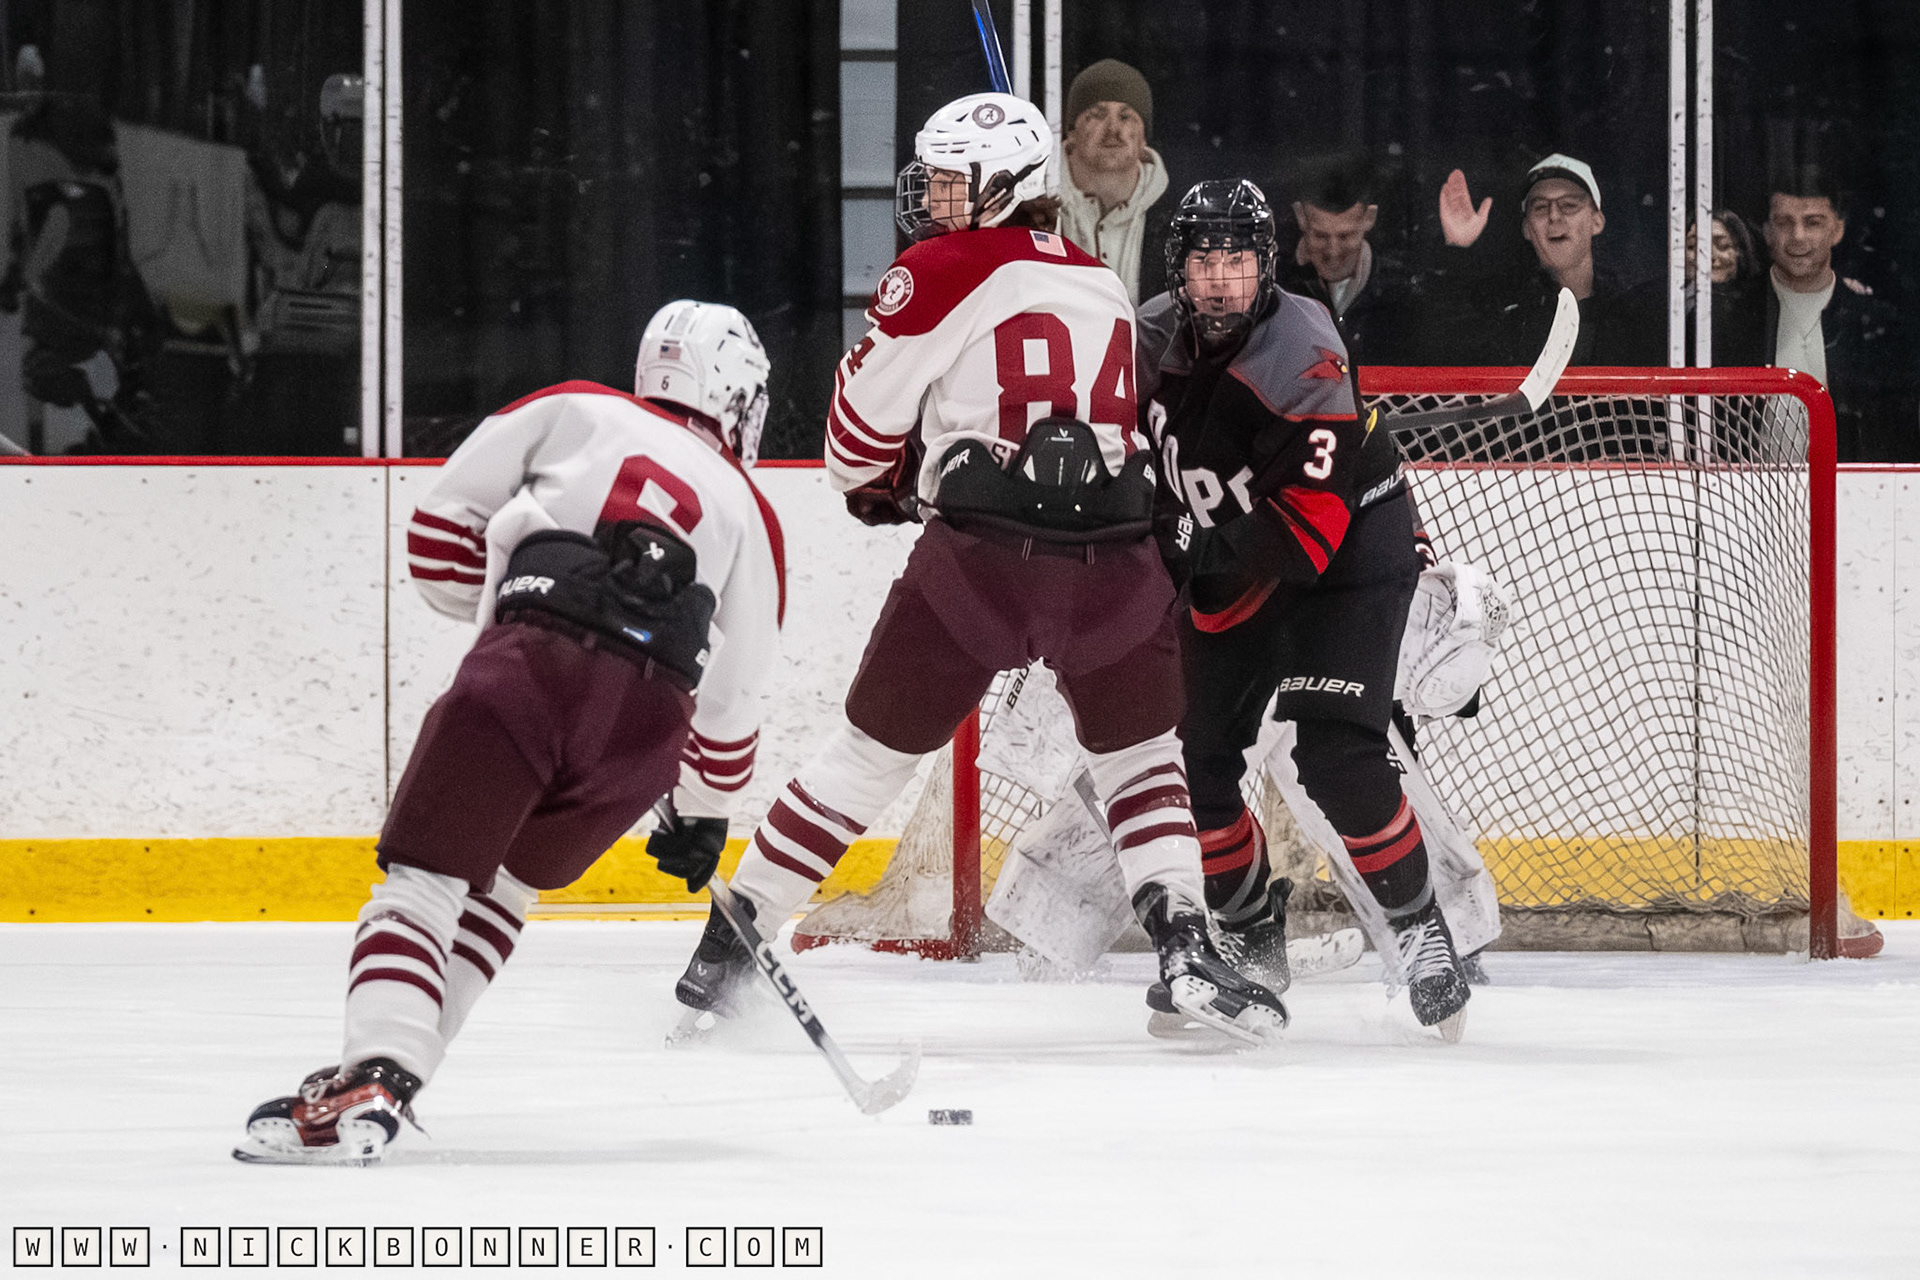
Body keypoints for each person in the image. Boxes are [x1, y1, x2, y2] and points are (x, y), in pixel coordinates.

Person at [673, 92, 1287, 1045]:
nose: (935, 196)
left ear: (1004, 183)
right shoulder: (1098, 282)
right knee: (1141, 762)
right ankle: (1184, 943)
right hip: (1113, 563)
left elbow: (850, 443)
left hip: (982, 562)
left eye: (954, 178)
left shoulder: (938, 267)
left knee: (869, 757)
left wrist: (904, 468)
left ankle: (732, 941)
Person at [233, 301, 786, 1165]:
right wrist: (705, 813)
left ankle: (374, 1070)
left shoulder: (573, 406)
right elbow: (734, 693)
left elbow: (436, 536)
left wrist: (512, 611)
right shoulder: (753, 513)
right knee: (501, 893)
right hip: (645, 730)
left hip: (528, 671)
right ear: (737, 395)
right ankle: (391, 1076)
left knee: (424, 881)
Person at [1138, 178, 1471, 1030]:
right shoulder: (1146, 340)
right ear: (1179, 269)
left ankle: (1420, 929)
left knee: (1335, 758)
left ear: (1267, 269)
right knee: (1194, 764)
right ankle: (1251, 932)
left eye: (1238, 262)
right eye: (1205, 261)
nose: (1219, 280)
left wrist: (1172, 548)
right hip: (1231, 553)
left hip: (1347, 556)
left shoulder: (1305, 351)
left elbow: (1301, 541)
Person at [1757, 180, 1916, 462]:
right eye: (1784, 222)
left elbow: (1894, 435)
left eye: (1813, 222)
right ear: (1767, 231)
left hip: (1851, 492)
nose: (1798, 236)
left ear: (1838, 229)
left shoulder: (1877, 324)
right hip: (1746, 494)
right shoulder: (1729, 317)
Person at [1431, 153, 1632, 367]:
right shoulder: (1506, 309)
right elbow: (1448, 350)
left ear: (1597, 221)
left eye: (1569, 205)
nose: (1554, 215)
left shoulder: (1630, 310)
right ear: (1527, 229)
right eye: (1540, 207)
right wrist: (1457, 249)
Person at [1278, 154, 1419, 366]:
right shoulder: (1273, 286)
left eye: (1345, 236)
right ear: (1300, 216)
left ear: (1369, 218)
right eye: (1321, 236)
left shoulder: (1400, 288)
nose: (1333, 251)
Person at [1055, 59, 1171, 305]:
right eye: (1096, 116)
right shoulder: (1035, 205)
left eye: (1127, 117)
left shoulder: (1175, 217)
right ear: (1071, 132)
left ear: (1143, 139)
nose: (1113, 131)